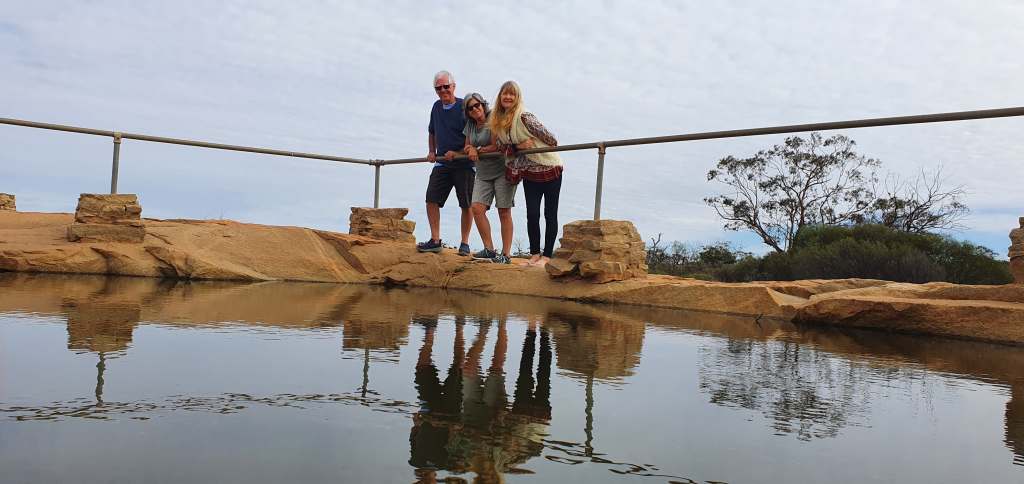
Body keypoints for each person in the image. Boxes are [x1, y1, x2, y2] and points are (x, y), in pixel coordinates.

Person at [489, 81, 562, 267]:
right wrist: (519, 146)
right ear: (500, 97)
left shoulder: (525, 117)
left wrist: (531, 144)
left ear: (517, 97)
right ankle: (535, 254)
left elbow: (552, 139)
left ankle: (547, 256)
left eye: (512, 94)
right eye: (505, 93)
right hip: (529, 172)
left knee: (550, 213)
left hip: (549, 167)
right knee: (532, 214)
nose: (508, 97)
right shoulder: (498, 121)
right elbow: (501, 148)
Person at [417, 70, 474, 256]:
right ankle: (435, 240)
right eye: (438, 88)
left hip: (463, 163)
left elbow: (472, 136)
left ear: (453, 86)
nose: (442, 90)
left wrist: (458, 153)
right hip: (442, 162)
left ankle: (465, 243)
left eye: (446, 86)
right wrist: (431, 151)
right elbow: (432, 131)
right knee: (431, 198)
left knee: (466, 203)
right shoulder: (436, 107)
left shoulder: (464, 107)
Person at [460, 93, 514, 264]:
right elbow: (467, 145)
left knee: (503, 210)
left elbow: (496, 145)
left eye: (477, 105)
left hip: (501, 170)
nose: (475, 109)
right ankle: (489, 249)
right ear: (467, 112)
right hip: (483, 173)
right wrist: (470, 149)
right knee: (476, 208)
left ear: (483, 105)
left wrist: (476, 149)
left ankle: (506, 255)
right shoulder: (470, 124)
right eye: (470, 108)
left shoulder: (494, 118)